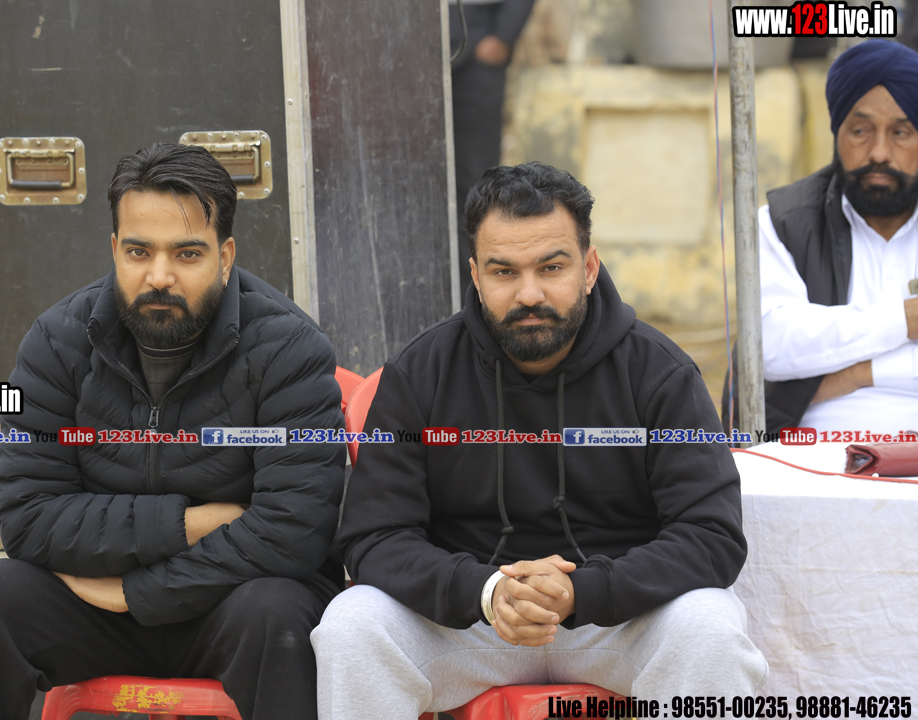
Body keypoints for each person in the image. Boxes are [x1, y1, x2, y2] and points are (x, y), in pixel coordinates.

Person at [311, 163, 767, 717]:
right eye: (504, 272)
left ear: (589, 267)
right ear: (476, 276)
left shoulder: (660, 373)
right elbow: (373, 536)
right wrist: (486, 592)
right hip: (469, 620)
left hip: (619, 618)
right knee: (353, 625)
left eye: (552, 267)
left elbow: (711, 536)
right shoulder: (421, 371)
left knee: (709, 628)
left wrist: (583, 592)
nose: (529, 294)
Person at [0, 143, 346, 720]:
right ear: (114, 250)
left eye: (187, 253)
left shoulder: (288, 347)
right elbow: (27, 517)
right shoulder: (57, 341)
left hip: (229, 605)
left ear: (225, 256)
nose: (159, 276)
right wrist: (191, 522)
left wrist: (136, 592)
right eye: (138, 252)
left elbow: (293, 531)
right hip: (94, 609)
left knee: (278, 610)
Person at [724, 39, 918, 434]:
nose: (879, 153)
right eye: (861, 131)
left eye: (900, 132)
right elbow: (770, 347)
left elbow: (793, 355)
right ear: (836, 133)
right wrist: (904, 320)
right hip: (808, 452)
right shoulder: (784, 222)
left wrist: (854, 373)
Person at [450, 0, 536, 297]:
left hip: (477, 48)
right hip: (410, 52)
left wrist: (502, 36)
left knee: (475, 179)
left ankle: (476, 292)